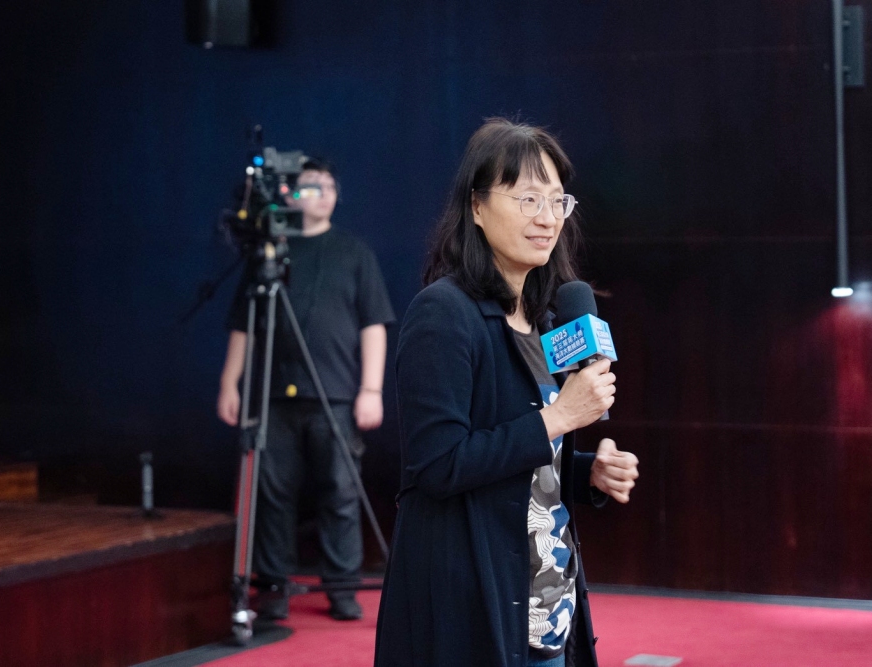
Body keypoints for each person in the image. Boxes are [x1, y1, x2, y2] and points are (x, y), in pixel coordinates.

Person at [374, 119, 640, 667]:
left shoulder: (544, 322)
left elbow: (524, 463)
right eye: (527, 199)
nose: (547, 218)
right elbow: (439, 465)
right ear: (476, 206)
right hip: (473, 605)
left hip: (547, 606)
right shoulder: (443, 313)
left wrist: (585, 471)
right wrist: (558, 418)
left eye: (557, 201)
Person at [217, 157, 395, 621]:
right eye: (313, 184)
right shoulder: (269, 253)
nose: (324, 192)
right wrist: (230, 382)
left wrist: (371, 389)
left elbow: (374, 324)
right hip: (273, 395)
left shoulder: (354, 253)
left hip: (335, 394)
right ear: (291, 194)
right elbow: (244, 324)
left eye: (330, 185)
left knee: (340, 493)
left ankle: (342, 588)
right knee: (273, 495)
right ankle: (273, 587)